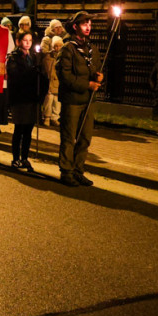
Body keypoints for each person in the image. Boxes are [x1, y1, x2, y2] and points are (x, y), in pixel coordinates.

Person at [57, 11, 103, 187]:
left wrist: (99, 77)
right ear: (75, 26)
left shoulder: (92, 48)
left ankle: (78, 170)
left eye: (90, 24)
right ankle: (66, 171)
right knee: (69, 138)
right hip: (72, 100)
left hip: (89, 100)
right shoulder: (67, 48)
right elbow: (65, 76)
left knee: (85, 138)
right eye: (85, 24)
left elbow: (96, 68)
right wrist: (87, 85)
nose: (88, 27)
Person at [6, 30, 46, 171]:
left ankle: (25, 157)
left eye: (30, 40)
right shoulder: (13, 58)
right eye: (25, 40)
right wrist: (31, 72)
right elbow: (15, 75)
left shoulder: (34, 57)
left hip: (31, 97)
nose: (28, 43)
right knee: (19, 128)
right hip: (19, 97)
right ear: (18, 42)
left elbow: (40, 75)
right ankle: (15, 158)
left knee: (28, 129)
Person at [41, 36, 63, 125]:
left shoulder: (63, 56)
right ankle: (47, 117)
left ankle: (55, 117)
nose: (57, 48)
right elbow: (47, 70)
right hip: (50, 82)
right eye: (56, 46)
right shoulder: (48, 57)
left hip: (58, 82)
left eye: (59, 46)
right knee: (49, 99)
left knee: (57, 101)